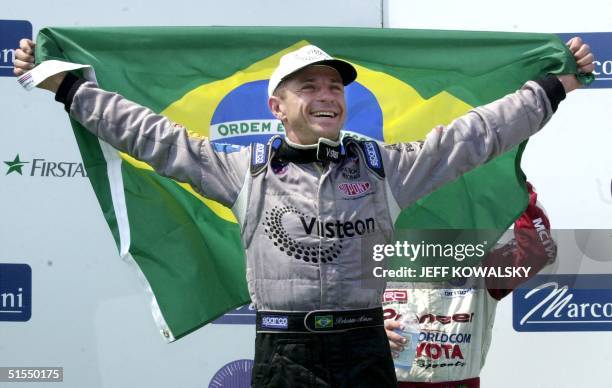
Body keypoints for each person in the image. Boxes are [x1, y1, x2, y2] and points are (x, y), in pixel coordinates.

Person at [14, 38, 593, 388]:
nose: (327, 94)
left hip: (366, 349)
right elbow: (151, 136)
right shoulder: (242, 170)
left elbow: (477, 134)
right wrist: (68, 87)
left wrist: (552, 87)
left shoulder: (384, 168)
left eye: (335, 87)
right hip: (283, 356)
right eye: (309, 85)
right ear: (277, 105)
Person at [384, 182, 556, 388]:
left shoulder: (485, 266)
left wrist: (516, 186)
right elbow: (341, 319)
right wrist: (371, 333)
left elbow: (538, 249)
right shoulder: (378, 265)